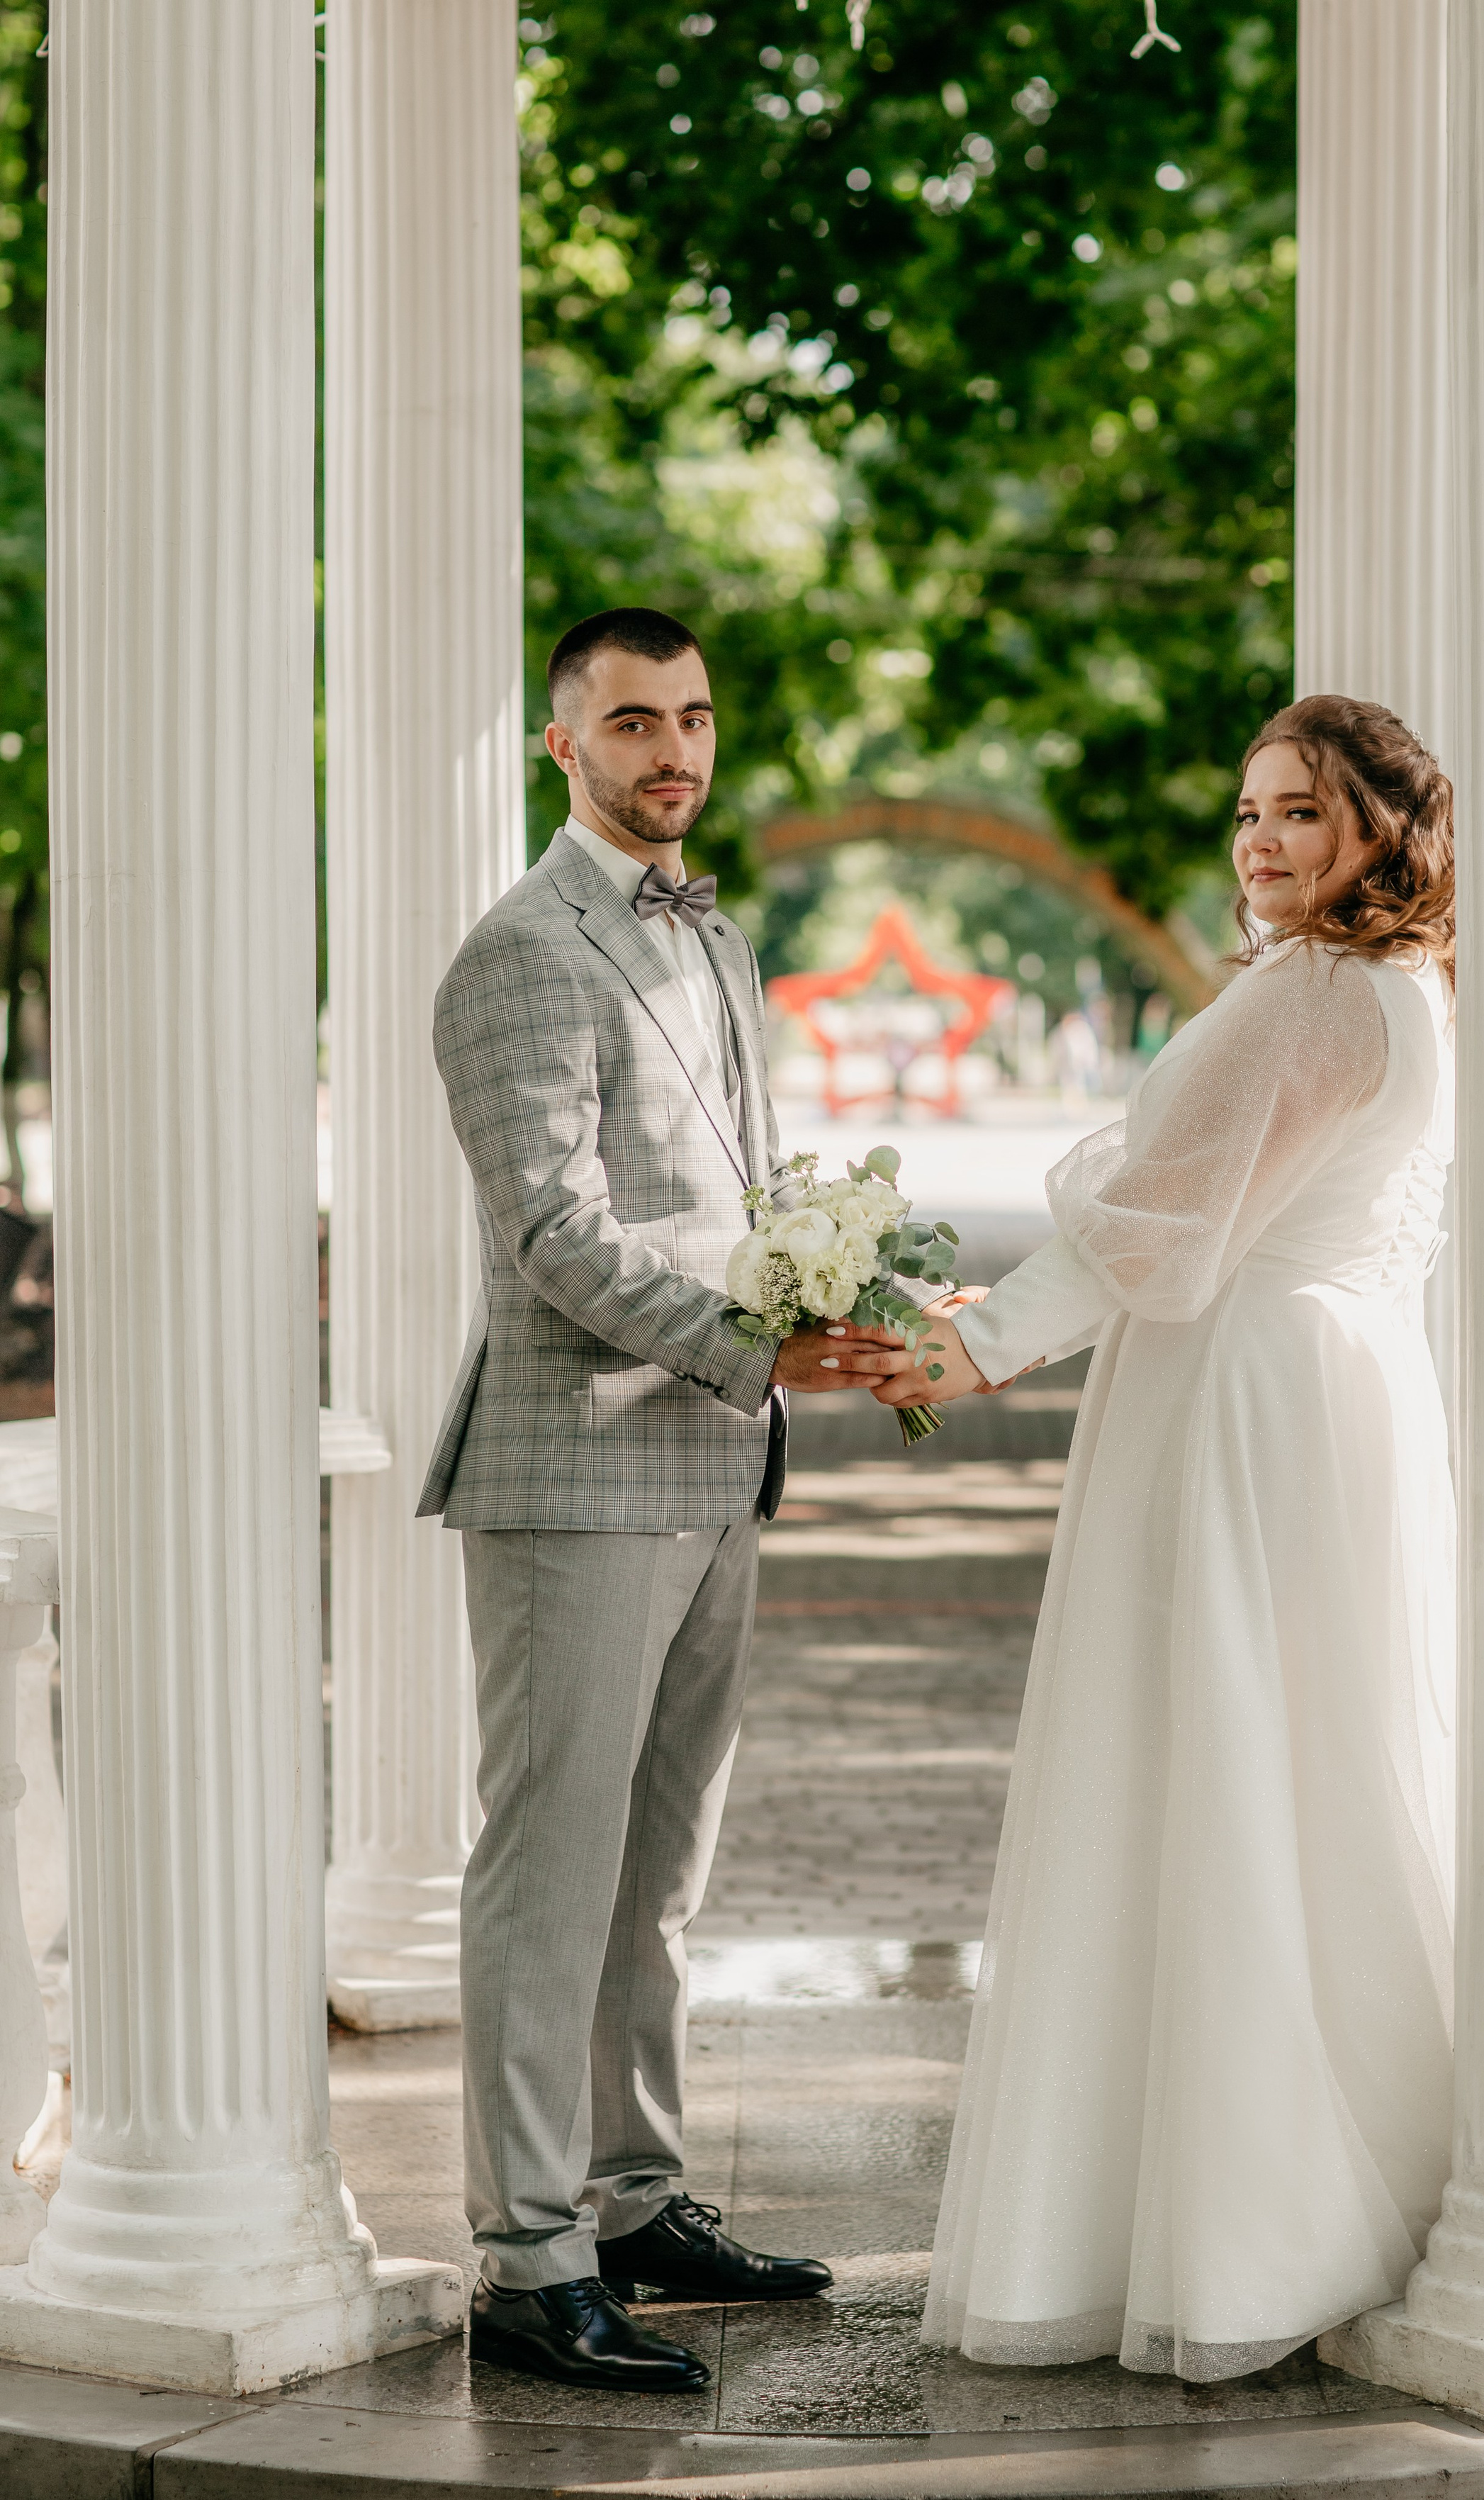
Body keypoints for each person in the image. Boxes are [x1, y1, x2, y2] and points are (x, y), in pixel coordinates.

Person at [875, 695, 1458, 2380]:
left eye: (1299, 811)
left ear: (1379, 828)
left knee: (1210, 1769)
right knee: (1318, 1765)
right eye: (1247, 812)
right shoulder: (1404, 988)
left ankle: (1245, 2217)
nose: (1259, 841)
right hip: (1337, 1393)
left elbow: (1169, 1234)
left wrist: (973, 1341)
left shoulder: (1315, 997)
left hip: (1238, 1401)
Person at [419, 607, 914, 2392]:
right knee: (547, 1875)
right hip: (575, 1466)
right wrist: (748, 1344)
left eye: (692, 719)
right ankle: (525, 2257)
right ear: (562, 745)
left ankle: (630, 2197)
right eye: (632, 723)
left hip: (715, 1459)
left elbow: (742, 1194)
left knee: (658, 1873)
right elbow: (555, 1237)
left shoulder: (716, 941)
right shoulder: (514, 955)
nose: (671, 752)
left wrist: (822, 1304)